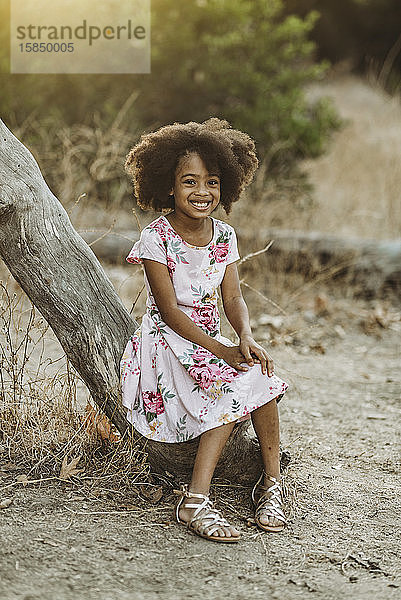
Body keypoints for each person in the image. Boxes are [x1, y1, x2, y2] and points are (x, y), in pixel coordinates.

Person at [120, 118, 289, 543]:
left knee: (262, 377)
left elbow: (233, 298)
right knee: (226, 390)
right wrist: (220, 350)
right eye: (189, 181)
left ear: (225, 187)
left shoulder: (225, 235)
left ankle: (271, 484)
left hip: (211, 338)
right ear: (168, 186)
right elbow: (170, 310)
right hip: (170, 341)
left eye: (212, 182)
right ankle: (195, 501)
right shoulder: (156, 237)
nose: (202, 192)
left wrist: (244, 338)